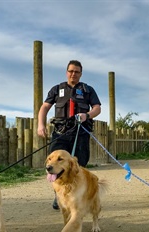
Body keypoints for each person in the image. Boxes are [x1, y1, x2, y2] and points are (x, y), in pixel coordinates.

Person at [37, 60, 102, 210]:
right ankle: (58, 195)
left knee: (79, 165)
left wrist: (87, 115)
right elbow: (44, 107)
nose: (73, 74)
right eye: (71, 71)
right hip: (61, 133)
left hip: (80, 133)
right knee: (54, 165)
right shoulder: (56, 89)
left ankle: (78, 195)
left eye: (77, 71)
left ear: (81, 73)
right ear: (67, 72)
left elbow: (97, 108)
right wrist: (40, 125)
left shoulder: (88, 90)